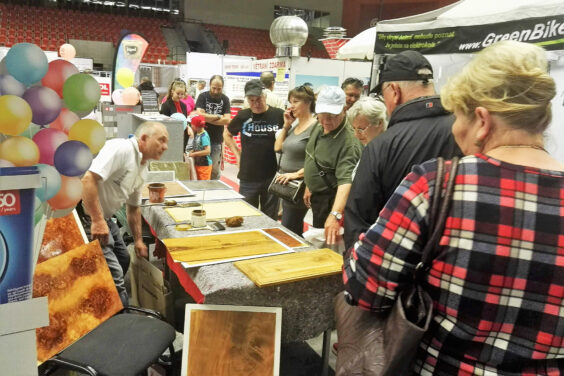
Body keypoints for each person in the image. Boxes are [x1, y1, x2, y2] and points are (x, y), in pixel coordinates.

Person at [342, 40, 564, 375]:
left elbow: (364, 288)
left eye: (456, 116)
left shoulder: (436, 186)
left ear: (482, 121)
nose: (454, 129)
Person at [344, 50, 461, 250]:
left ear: (395, 91)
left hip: (396, 263)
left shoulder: (381, 146)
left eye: (383, 94)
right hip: (452, 264)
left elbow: (358, 222)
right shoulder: (466, 131)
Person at [80, 122, 169, 306]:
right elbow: (88, 179)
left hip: (106, 217)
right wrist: (97, 220)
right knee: (116, 277)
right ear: (143, 138)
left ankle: (103, 300)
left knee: (123, 257)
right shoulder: (121, 149)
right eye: (161, 140)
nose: (165, 146)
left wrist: (138, 240)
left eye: (166, 142)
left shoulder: (143, 167)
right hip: (89, 216)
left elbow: (134, 207)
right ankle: (119, 318)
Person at [303, 86, 362, 245]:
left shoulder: (348, 142)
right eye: (322, 114)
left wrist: (335, 215)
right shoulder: (319, 125)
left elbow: (346, 182)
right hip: (318, 196)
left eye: (332, 115)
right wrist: (310, 184)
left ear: (344, 109)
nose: (326, 120)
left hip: (332, 199)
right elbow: (313, 155)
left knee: (328, 247)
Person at [224, 79, 284, 220]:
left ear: (265, 96)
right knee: (247, 216)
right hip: (248, 176)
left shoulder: (279, 115)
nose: (256, 104)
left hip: (272, 176)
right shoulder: (243, 116)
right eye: (251, 100)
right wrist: (237, 154)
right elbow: (227, 134)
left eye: (259, 99)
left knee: (270, 218)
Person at [273, 85, 316, 235]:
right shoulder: (295, 125)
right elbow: (278, 147)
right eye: (290, 101)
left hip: (300, 186)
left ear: (308, 102)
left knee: (289, 227)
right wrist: (286, 126)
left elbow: (318, 160)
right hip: (287, 186)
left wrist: (296, 174)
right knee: (291, 227)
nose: (291, 106)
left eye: (296, 101)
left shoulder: (315, 127)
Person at [196, 75, 231, 180]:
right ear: (210, 85)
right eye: (214, 88)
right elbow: (200, 116)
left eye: (219, 89)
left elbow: (227, 120)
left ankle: (214, 189)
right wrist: (218, 117)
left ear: (223, 87)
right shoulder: (202, 96)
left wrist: (207, 118)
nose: (216, 91)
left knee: (215, 169)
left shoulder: (225, 99)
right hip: (201, 139)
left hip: (216, 139)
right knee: (200, 166)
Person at [160, 79, 194, 151]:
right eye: (178, 93)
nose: (180, 96)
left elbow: (184, 120)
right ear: (172, 91)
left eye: (182, 94)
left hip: (182, 137)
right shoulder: (166, 105)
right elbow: (162, 123)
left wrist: (188, 127)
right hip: (170, 137)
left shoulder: (184, 105)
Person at [186, 115, 212, 180]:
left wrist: (193, 154)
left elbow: (207, 151)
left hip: (204, 165)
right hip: (198, 164)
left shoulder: (204, 136)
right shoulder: (197, 133)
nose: (191, 126)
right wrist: (190, 152)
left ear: (196, 126)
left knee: (203, 184)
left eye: (191, 124)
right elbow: (197, 146)